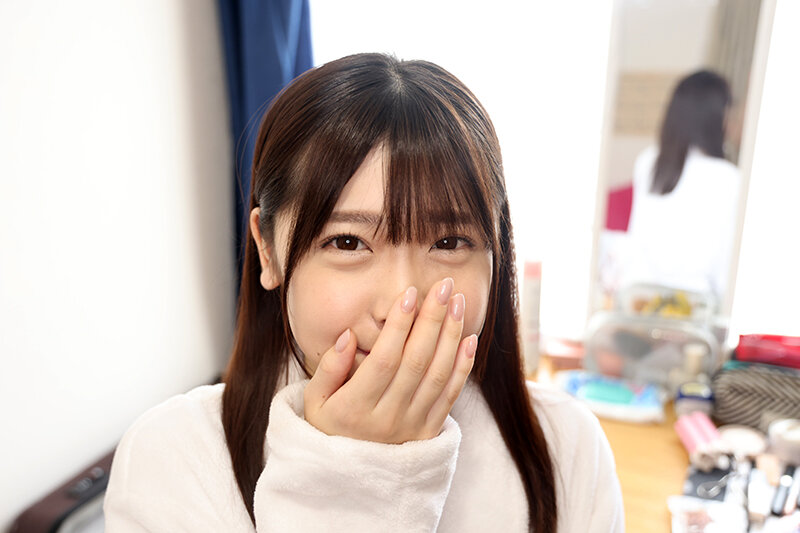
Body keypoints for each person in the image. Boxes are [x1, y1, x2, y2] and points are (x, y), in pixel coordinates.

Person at [104, 53, 623, 532]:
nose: (402, 304)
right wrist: (358, 481)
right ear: (268, 249)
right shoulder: (172, 457)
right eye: (348, 242)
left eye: (448, 242)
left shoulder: (565, 445)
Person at [623, 70, 740, 305]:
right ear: (717, 117)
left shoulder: (649, 162)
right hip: (698, 309)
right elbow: (724, 271)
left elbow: (634, 245)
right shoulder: (729, 178)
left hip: (639, 301)